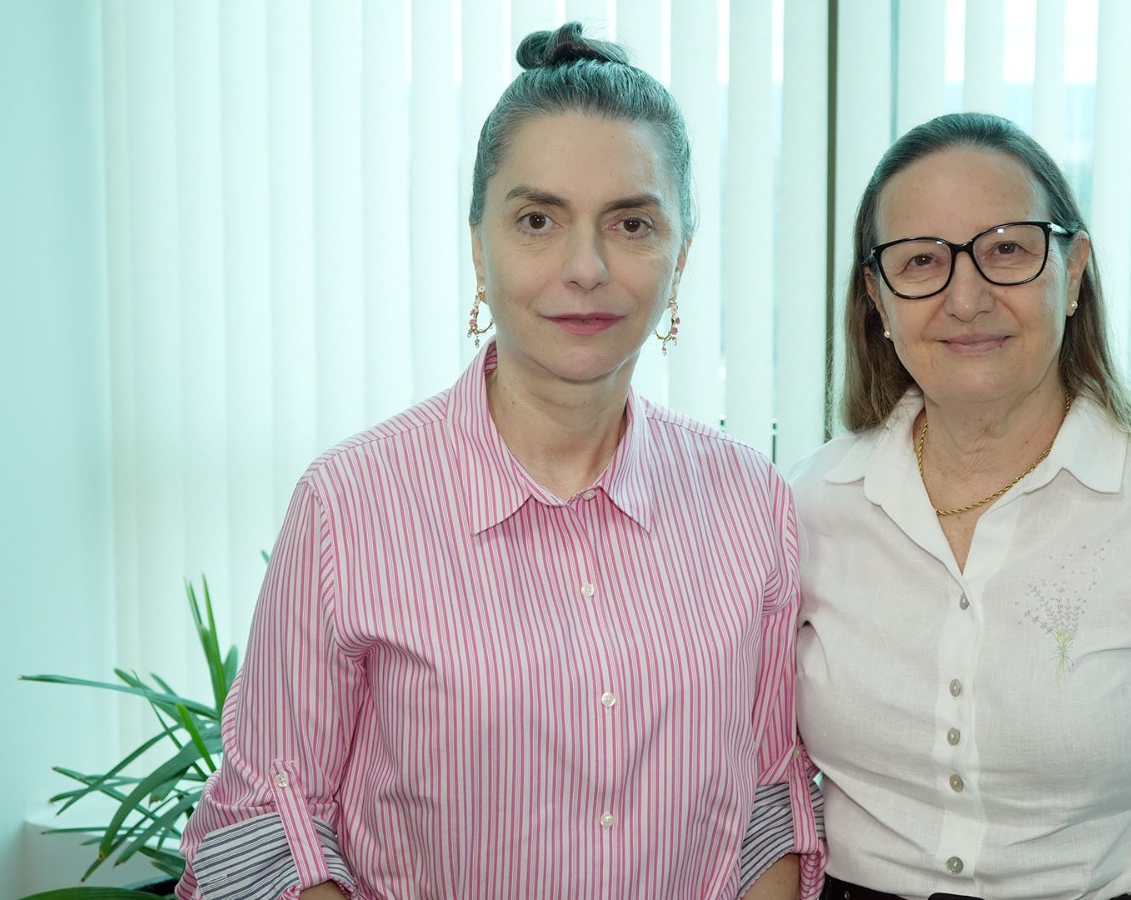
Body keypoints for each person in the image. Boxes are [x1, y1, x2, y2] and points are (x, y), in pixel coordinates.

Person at [176, 23, 823, 900]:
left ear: (681, 255)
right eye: (537, 220)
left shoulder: (751, 502)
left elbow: (770, 797)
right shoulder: (350, 505)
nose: (586, 267)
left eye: (632, 223)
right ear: (479, 246)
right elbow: (267, 819)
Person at [791, 112, 1131, 900]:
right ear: (877, 297)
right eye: (921, 261)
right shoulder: (808, 504)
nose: (966, 298)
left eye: (1007, 250)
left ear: (1073, 270)